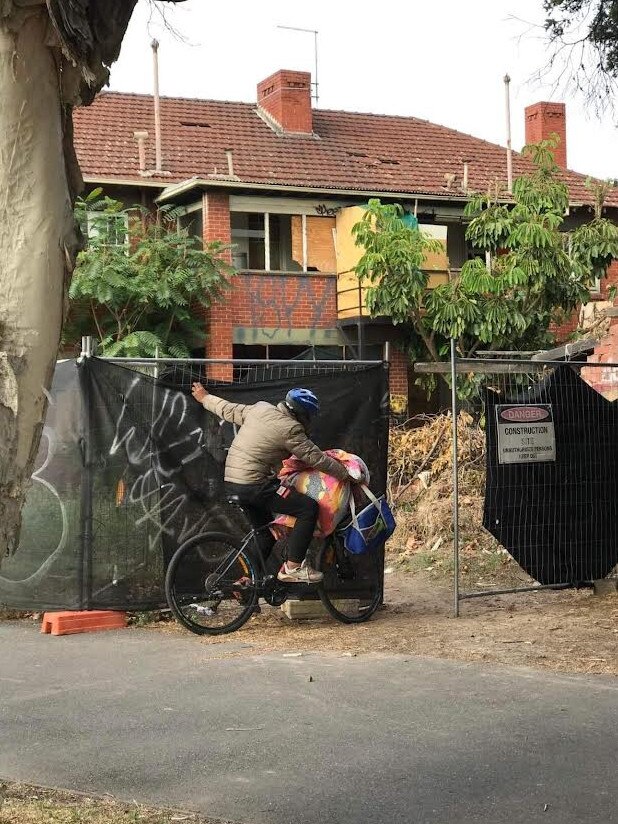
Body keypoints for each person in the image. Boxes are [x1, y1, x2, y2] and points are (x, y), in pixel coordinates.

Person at [191, 383, 350, 584]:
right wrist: (345, 474)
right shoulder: (290, 429)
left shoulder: (260, 409)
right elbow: (315, 457)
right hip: (255, 485)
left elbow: (227, 409)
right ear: (302, 415)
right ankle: (293, 568)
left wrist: (205, 397)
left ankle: (246, 582)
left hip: (233, 483)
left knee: (264, 535)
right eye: (309, 416)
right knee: (307, 508)